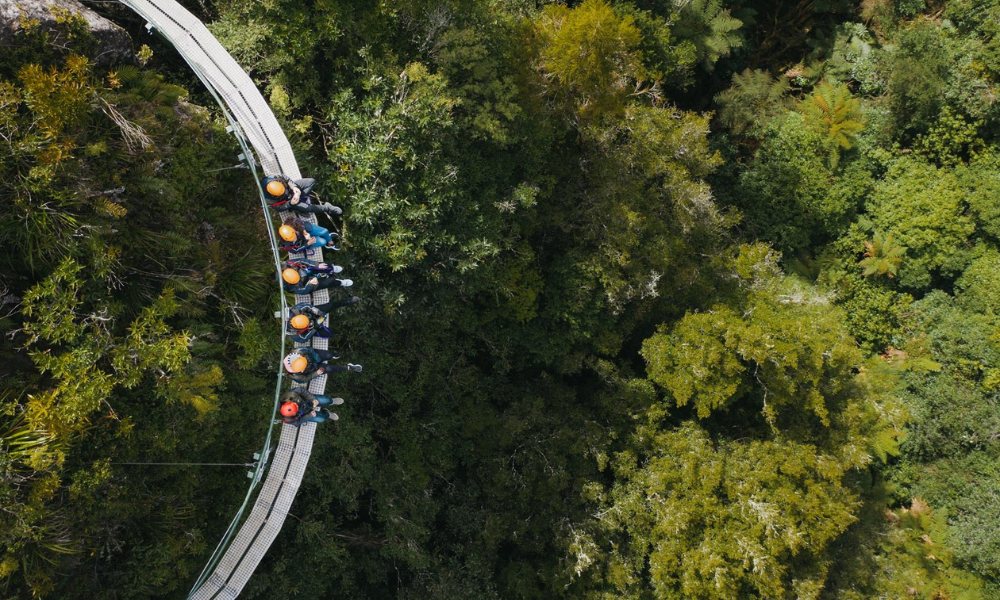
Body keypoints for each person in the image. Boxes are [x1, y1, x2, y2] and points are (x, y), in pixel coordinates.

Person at [286, 296, 360, 343]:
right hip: (311, 329)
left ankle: (347, 301)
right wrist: (315, 327)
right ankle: (339, 334)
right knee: (327, 333)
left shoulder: (294, 311)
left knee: (330, 306)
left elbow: (306, 306)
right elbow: (304, 339)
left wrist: (318, 312)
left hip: (310, 314)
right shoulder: (294, 334)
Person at [262, 175, 342, 216]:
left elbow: (285, 178)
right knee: (308, 208)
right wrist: (290, 203)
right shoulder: (269, 200)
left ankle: (299, 200)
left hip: (291, 189)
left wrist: (294, 188)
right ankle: (327, 207)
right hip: (288, 201)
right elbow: (279, 209)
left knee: (311, 181)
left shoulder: (273, 178)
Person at [281, 348, 362, 383]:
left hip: (314, 357)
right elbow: (306, 379)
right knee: (329, 368)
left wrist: (318, 358)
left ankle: (334, 355)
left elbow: (310, 350)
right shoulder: (296, 376)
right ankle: (348, 367)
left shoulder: (298, 352)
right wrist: (316, 373)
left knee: (328, 355)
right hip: (313, 369)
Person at [278, 388, 344, 426]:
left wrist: (312, 399)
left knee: (326, 400)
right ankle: (327, 413)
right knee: (321, 419)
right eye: (297, 409)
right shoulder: (288, 419)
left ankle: (331, 401)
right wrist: (309, 415)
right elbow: (298, 422)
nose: (297, 406)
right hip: (306, 413)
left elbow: (301, 390)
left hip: (307, 400)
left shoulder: (291, 395)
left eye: (296, 405)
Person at [281, 262, 352, 295]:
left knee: (320, 266)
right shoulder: (290, 288)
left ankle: (331, 268)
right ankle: (340, 282)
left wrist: (316, 265)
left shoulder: (287, 265)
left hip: (303, 271)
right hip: (305, 283)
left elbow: (301, 260)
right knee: (327, 283)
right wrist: (310, 284)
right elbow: (303, 291)